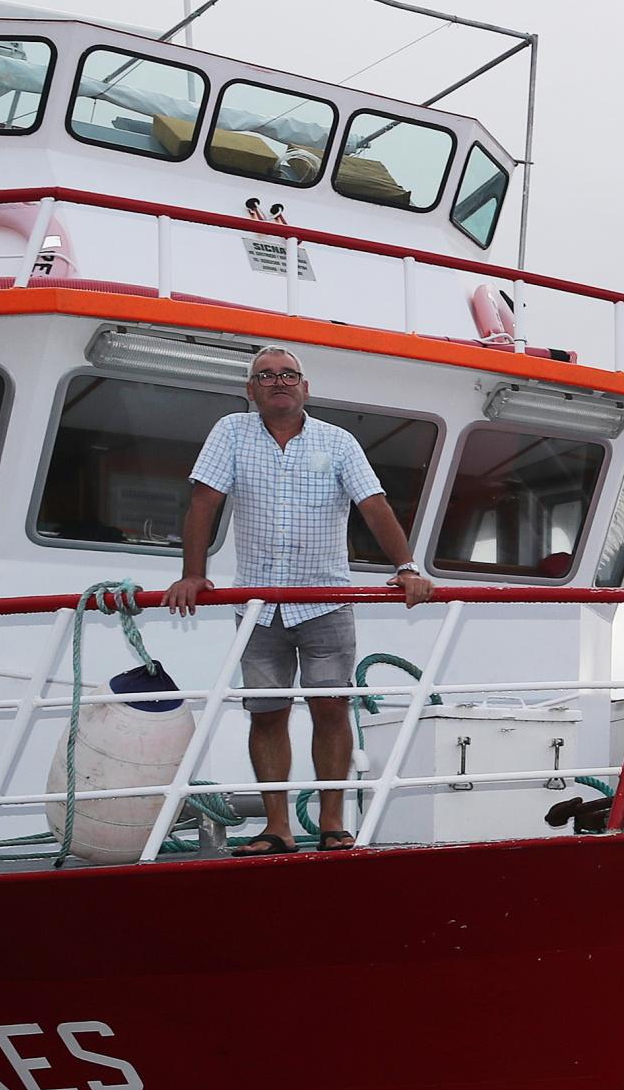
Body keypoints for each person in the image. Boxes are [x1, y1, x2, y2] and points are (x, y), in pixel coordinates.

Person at [163, 345, 433, 856]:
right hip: (259, 608)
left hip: (325, 602)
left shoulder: (338, 441)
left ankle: (332, 824)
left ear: (305, 388)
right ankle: (276, 828)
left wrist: (406, 568)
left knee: (331, 709)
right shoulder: (230, 433)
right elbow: (205, 503)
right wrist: (193, 575)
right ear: (251, 390)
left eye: (289, 374)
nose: (278, 381)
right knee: (266, 714)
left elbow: (372, 506)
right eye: (266, 376)